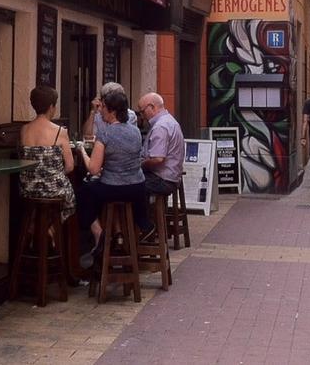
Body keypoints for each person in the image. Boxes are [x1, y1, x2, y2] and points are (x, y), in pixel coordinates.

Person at [76, 89, 153, 268]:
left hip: (114, 188)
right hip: (137, 188)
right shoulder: (135, 131)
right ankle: (141, 227)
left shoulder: (105, 133)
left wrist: (81, 151)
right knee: (97, 189)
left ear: (112, 111)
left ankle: (99, 234)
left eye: (103, 107)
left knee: (83, 192)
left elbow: (94, 169)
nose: (100, 110)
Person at [17, 86, 76, 220]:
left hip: (28, 189)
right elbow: (70, 166)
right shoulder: (60, 131)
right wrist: (52, 175)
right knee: (68, 195)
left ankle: (36, 229)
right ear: (51, 107)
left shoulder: (24, 130)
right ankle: (51, 231)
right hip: (54, 190)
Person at [137, 93, 184, 198]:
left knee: (130, 185)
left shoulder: (160, 126)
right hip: (171, 177)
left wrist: (140, 164)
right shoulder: (169, 120)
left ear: (152, 107)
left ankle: (142, 214)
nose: (142, 116)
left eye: (142, 111)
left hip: (162, 179)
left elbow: (158, 159)